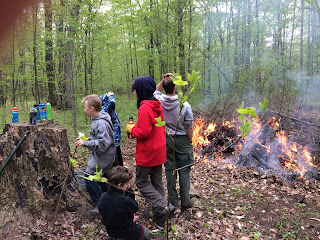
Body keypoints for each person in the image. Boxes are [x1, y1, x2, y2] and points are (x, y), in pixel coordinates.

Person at [126, 76, 175, 228]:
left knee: (140, 182)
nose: (133, 93)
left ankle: (163, 205)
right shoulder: (155, 102)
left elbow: (143, 132)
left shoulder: (145, 108)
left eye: (134, 90)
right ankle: (161, 217)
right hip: (159, 149)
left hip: (148, 152)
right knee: (157, 182)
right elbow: (156, 90)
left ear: (139, 90)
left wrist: (131, 130)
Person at [154, 73, 194, 211]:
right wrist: (190, 141)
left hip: (166, 138)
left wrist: (164, 78)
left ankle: (173, 202)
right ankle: (185, 201)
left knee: (170, 170)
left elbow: (156, 90)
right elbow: (189, 126)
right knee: (183, 171)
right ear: (176, 87)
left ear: (165, 87)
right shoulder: (185, 105)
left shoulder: (159, 101)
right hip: (182, 139)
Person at [75, 94, 116, 215]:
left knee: (88, 179)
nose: (84, 110)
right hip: (100, 157)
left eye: (85, 107)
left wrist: (86, 143)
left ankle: (100, 204)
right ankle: (109, 202)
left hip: (103, 158)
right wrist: (90, 138)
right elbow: (100, 137)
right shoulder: (98, 120)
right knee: (101, 181)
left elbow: (103, 144)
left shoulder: (101, 123)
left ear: (91, 108)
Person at [98, 166, 150, 240]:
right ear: (119, 185)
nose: (128, 185)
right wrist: (129, 190)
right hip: (126, 232)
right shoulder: (125, 201)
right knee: (145, 232)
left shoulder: (103, 196)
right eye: (126, 183)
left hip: (111, 232)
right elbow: (135, 207)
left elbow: (101, 209)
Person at [100, 92, 123, 166]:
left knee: (117, 158)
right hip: (112, 140)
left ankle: (120, 173)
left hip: (115, 138)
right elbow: (112, 103)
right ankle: (116, 175)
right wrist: (111, 96)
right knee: (114, 160)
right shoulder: (105, 110)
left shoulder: (107, 110)